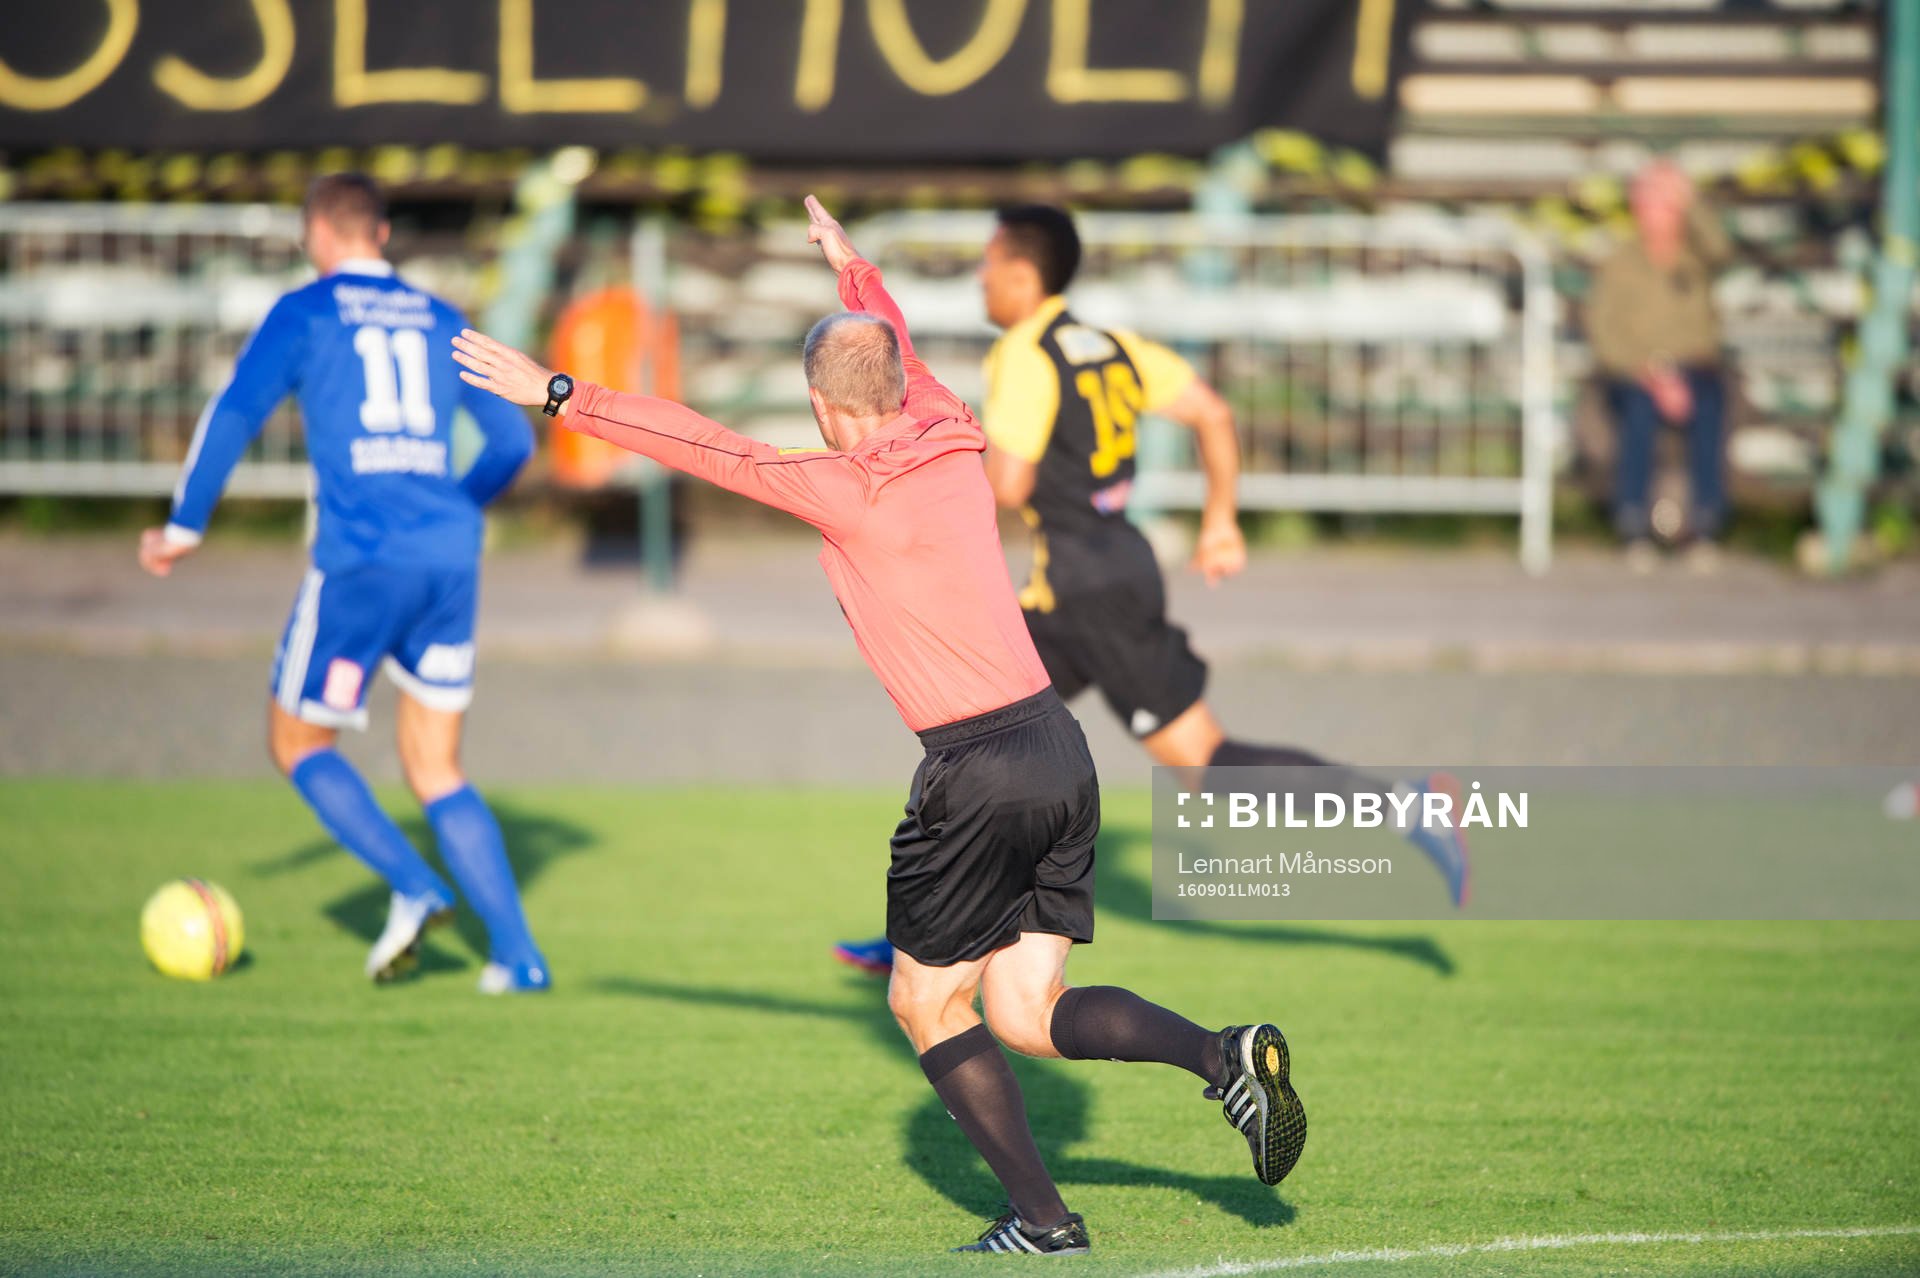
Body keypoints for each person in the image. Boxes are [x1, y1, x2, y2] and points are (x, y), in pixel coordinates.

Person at [450, 196, 1307, 1255]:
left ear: (820, 401)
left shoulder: (844, 487)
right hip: (1060, 749)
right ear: (899, 383)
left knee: (923, 1001)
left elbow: (702, 444)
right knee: (1027, 1011)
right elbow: (887, 337)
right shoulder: (948, 423)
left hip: (976, 770)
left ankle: (1045, 1221)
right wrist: (853, 270)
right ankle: (1225, 1057)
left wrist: (559, 393)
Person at [833, 203, 1468, 978]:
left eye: (989, 263)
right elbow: (1211, 411)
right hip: (1111, 575)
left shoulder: (1025, 353)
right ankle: (921, 935)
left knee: (1087, 754)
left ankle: (926, 934)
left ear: (1023, 276)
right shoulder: (1111, 346)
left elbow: (1008, 483)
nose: (981, 277)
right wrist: (1221, 519)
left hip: (1080, 594)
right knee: (999, 746)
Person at [139, 173, 550, 994]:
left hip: (362, 559)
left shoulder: (306, 312)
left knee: (297, 742)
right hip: (448, 560)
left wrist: (184, 524)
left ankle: (414, 885)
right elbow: (512, 441)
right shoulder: (441, 317)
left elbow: (235, 410)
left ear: (316, 235)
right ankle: (518, 959)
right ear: (383, 233)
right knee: (437, 767)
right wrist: (451, 510)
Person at [1586, 160, 1732, 573]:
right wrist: (1651, 375)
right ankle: (1633, 523)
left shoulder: (1697, 255)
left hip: (1696, 367)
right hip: (1637, 372)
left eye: (1666, 204)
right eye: (1650, 203)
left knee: (1709, 409)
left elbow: (1722, 248)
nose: (1658, 213)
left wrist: (1689, 197)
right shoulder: (1620, 262)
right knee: (1637, 413)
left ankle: (1705, 524)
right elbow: (1604, 332)